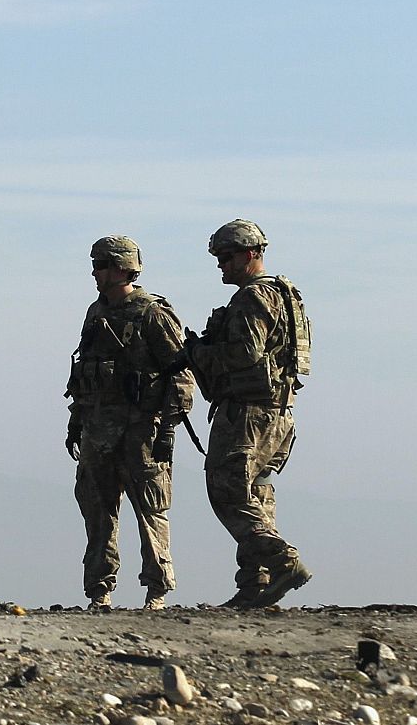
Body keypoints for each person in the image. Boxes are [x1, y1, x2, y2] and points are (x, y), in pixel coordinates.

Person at [188, 219, 312, 608]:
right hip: (278, 413)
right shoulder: (286, 295)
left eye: (227, 257)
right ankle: (256, 584)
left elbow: (244, 354)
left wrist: (197, 354)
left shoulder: (253, 297)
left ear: (251, 254)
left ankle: (280, 559)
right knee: (256, 492)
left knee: (226, 489)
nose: (221, 265)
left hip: (248, 413)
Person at [66, 236, 194, 610]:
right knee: (97, 512)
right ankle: (99, 591)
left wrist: (167, 429)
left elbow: (181, 374)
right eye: (95, 264)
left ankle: (157, 590)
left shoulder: (152, 313)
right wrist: (77, 421)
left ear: (123, 268)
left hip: (141, 431)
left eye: (103, 264)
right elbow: (85, 372)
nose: (96, 272)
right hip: (98, 430)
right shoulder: (96, 312)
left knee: (150, 511)